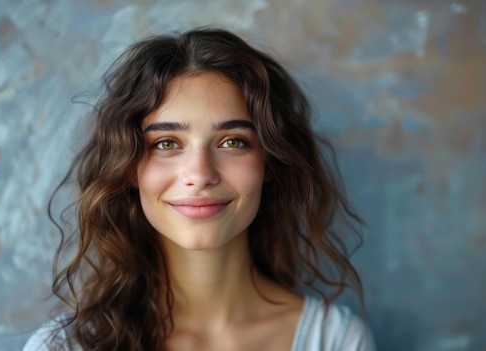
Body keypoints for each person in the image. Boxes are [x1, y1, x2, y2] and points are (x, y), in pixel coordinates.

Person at [24, 27, 375, 351]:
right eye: (165, 143)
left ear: (270, 162)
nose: (200, 174)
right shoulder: (64, 346)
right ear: (128, 167)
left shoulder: (334, 340)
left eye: (233, 142)